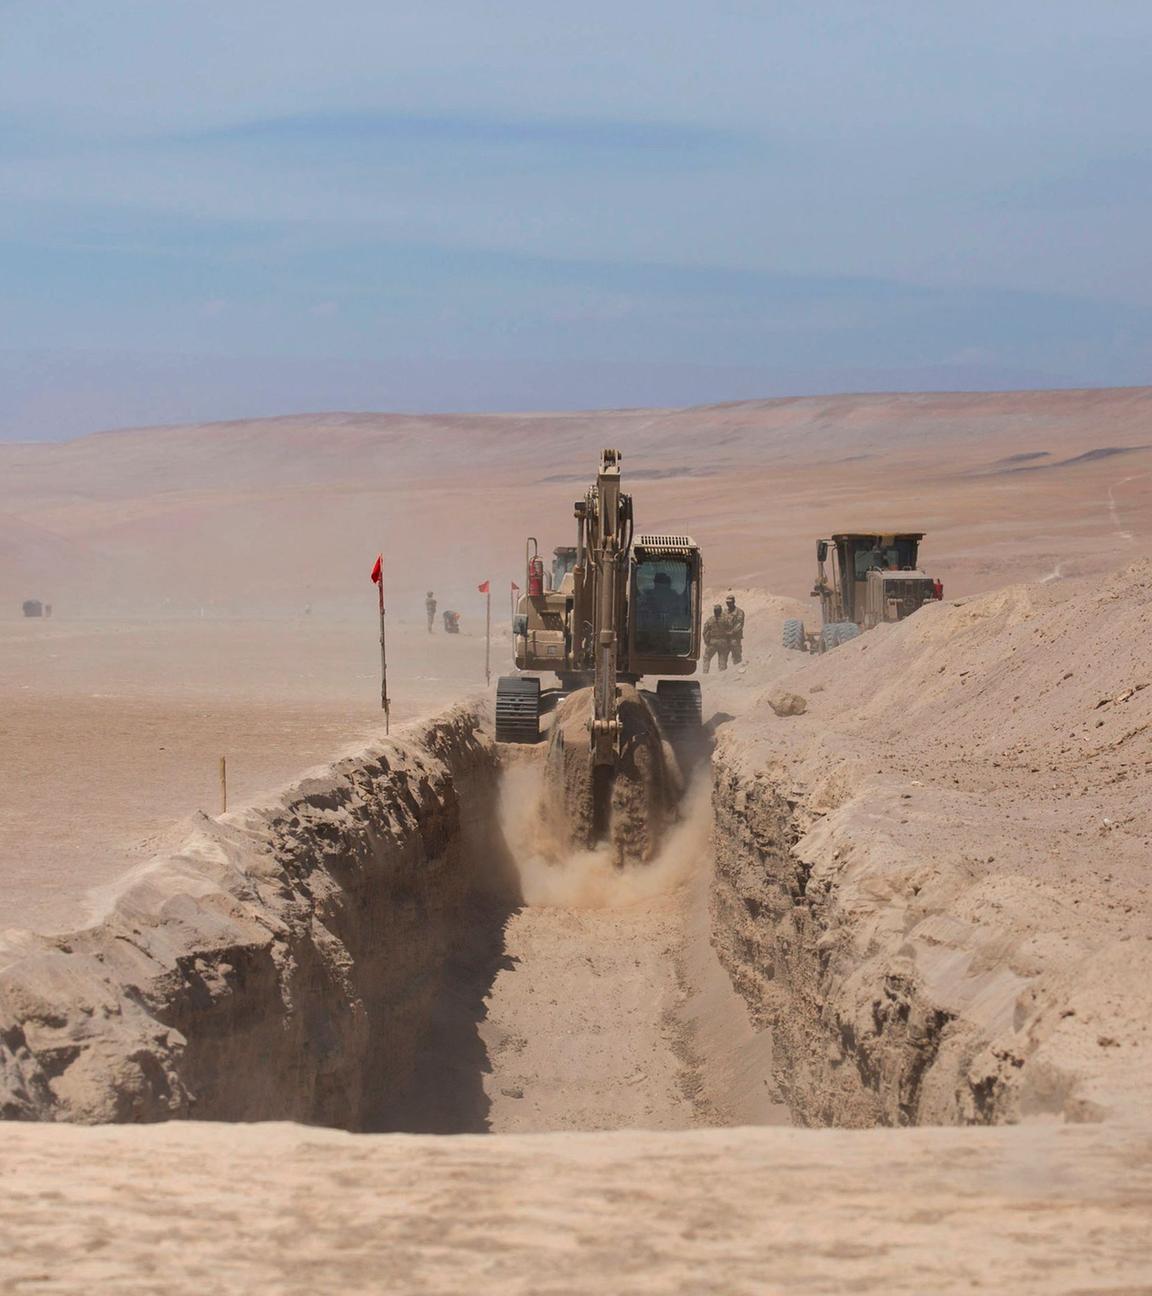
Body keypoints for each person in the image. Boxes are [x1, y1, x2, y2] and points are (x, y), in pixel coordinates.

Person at [702, 603, 730, 673]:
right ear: (721, 611)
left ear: (714, 611)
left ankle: (705, 672)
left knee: (707, 657)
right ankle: (722, 674)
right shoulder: (725, 620)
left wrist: (706, 641)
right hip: (723, 642)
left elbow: (704, 632)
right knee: (722, 659)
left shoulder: (710, 620)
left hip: (712, 642)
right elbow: (729, 631)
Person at [723, 594, 745, 664]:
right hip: (725, 638)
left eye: (730, 602)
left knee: (736, 656)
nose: (728, 604)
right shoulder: (724, 612)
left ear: (733, 602)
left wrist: (731, 632)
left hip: (735, 637)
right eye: (727, 602)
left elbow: (739, 624)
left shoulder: (739, 612)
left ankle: (737, 667)